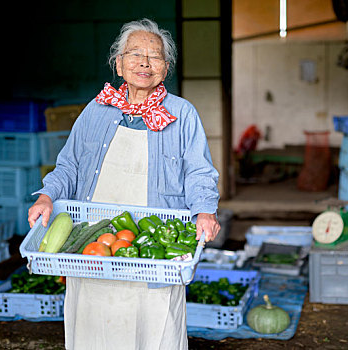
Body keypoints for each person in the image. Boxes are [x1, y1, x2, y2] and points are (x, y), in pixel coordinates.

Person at [28, 18, 221, 350]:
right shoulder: (96, 111)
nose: (144, 63)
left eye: (155, 56)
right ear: (118, 64)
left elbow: (199, 172)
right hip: (97, 242)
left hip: (152, 246)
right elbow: (69, 165)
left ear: (166, 68)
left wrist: (205, 211)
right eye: (134, 54)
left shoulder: (182, 114)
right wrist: (47, 196)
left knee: (155, 330)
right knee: (96, 330)